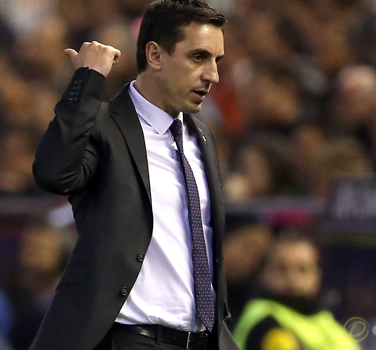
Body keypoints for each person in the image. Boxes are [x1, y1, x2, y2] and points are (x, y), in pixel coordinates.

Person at [31, 0, 239, 349]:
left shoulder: (202, 136)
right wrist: (87, 80)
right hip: (128, 338)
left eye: (216, 61)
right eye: (198, 57)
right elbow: (54, 174)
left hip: (201, 339)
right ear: (155, 56)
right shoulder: (101, 123)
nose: (213, 75)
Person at [233, 235, 360, 350]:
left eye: (303, 269)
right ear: (263, 274)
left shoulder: (324, 320)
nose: (292, 278)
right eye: (281, 269)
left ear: (317, 275)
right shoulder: (266, 324)